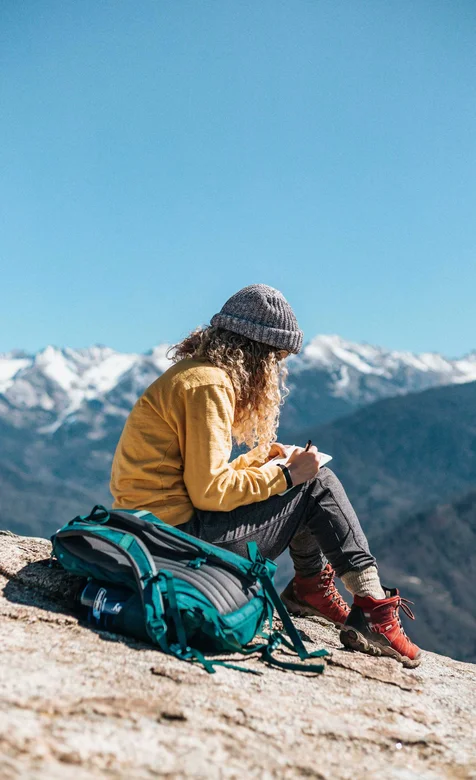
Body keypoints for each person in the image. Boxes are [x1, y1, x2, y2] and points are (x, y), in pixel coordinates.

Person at [110, 284, 421, 667]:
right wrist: (287, 477)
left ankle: (310, 588)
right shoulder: (210, 385)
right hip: (177, 542)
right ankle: (372, 608)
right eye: (276, 358)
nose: (276, 370)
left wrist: (261, 462)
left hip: (151, 531)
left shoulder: (192, 376)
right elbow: (209, 492)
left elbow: (191, 478)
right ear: (256, 353)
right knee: (317, 483)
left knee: (306, 478)